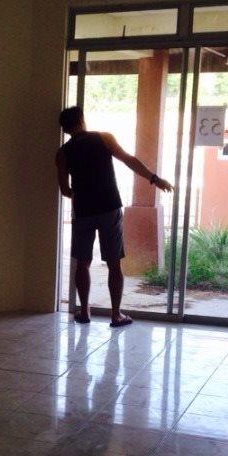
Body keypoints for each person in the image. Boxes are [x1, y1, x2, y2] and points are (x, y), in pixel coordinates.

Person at [56, 106, 173, 327]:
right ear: (82, 120)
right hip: (109, 207)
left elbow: (64, 189)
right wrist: (155, 179)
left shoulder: (63, 153)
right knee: (113, 264)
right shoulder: (104, 138)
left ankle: (85, 311)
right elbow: (129, 160)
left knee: (82, 263)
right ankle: (116, 315)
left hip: (83, 211)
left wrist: (80, 195)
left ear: (65, 129)